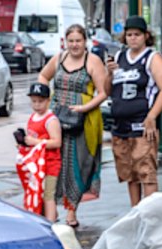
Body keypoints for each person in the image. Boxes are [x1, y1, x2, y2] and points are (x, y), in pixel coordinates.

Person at [37, 24, 108, 227]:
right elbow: (43, 76)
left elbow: (103, 92)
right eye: (71, 41)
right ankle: (50, 209)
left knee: (77, 165)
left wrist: (85, 108)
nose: (74, 45)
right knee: (53, 164)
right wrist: (45, 99)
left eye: (78, 40)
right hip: (57, 120)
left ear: (85, 41)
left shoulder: (93, 61)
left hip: (82, 122)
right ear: (65, 42)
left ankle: (71, 211)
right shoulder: (59, 58)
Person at [105, 15, 162, 207]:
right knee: (130, 174)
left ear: (145, 36)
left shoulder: (152, 58)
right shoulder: (118, 57)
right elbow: (107, 90)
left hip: (142, 124)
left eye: (137, 34)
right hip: (120, 125)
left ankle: (151, 214)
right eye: (129, 35)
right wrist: (109, 73)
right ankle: (135, 212)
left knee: (146, 172)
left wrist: (152, 116)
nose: (133, 38)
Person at [18, 82, 62, 221]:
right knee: (37, 193)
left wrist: (36, 143)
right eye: (34, 101)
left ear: (48, 101)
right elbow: (32, 139)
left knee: (48, 194)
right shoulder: (33, 117)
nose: (37, 105)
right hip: (36, 164)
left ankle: (50, 223)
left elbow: (57, 141)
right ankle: (50, 215)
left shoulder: (51, 120)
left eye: (41, 101)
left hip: (50, 164)